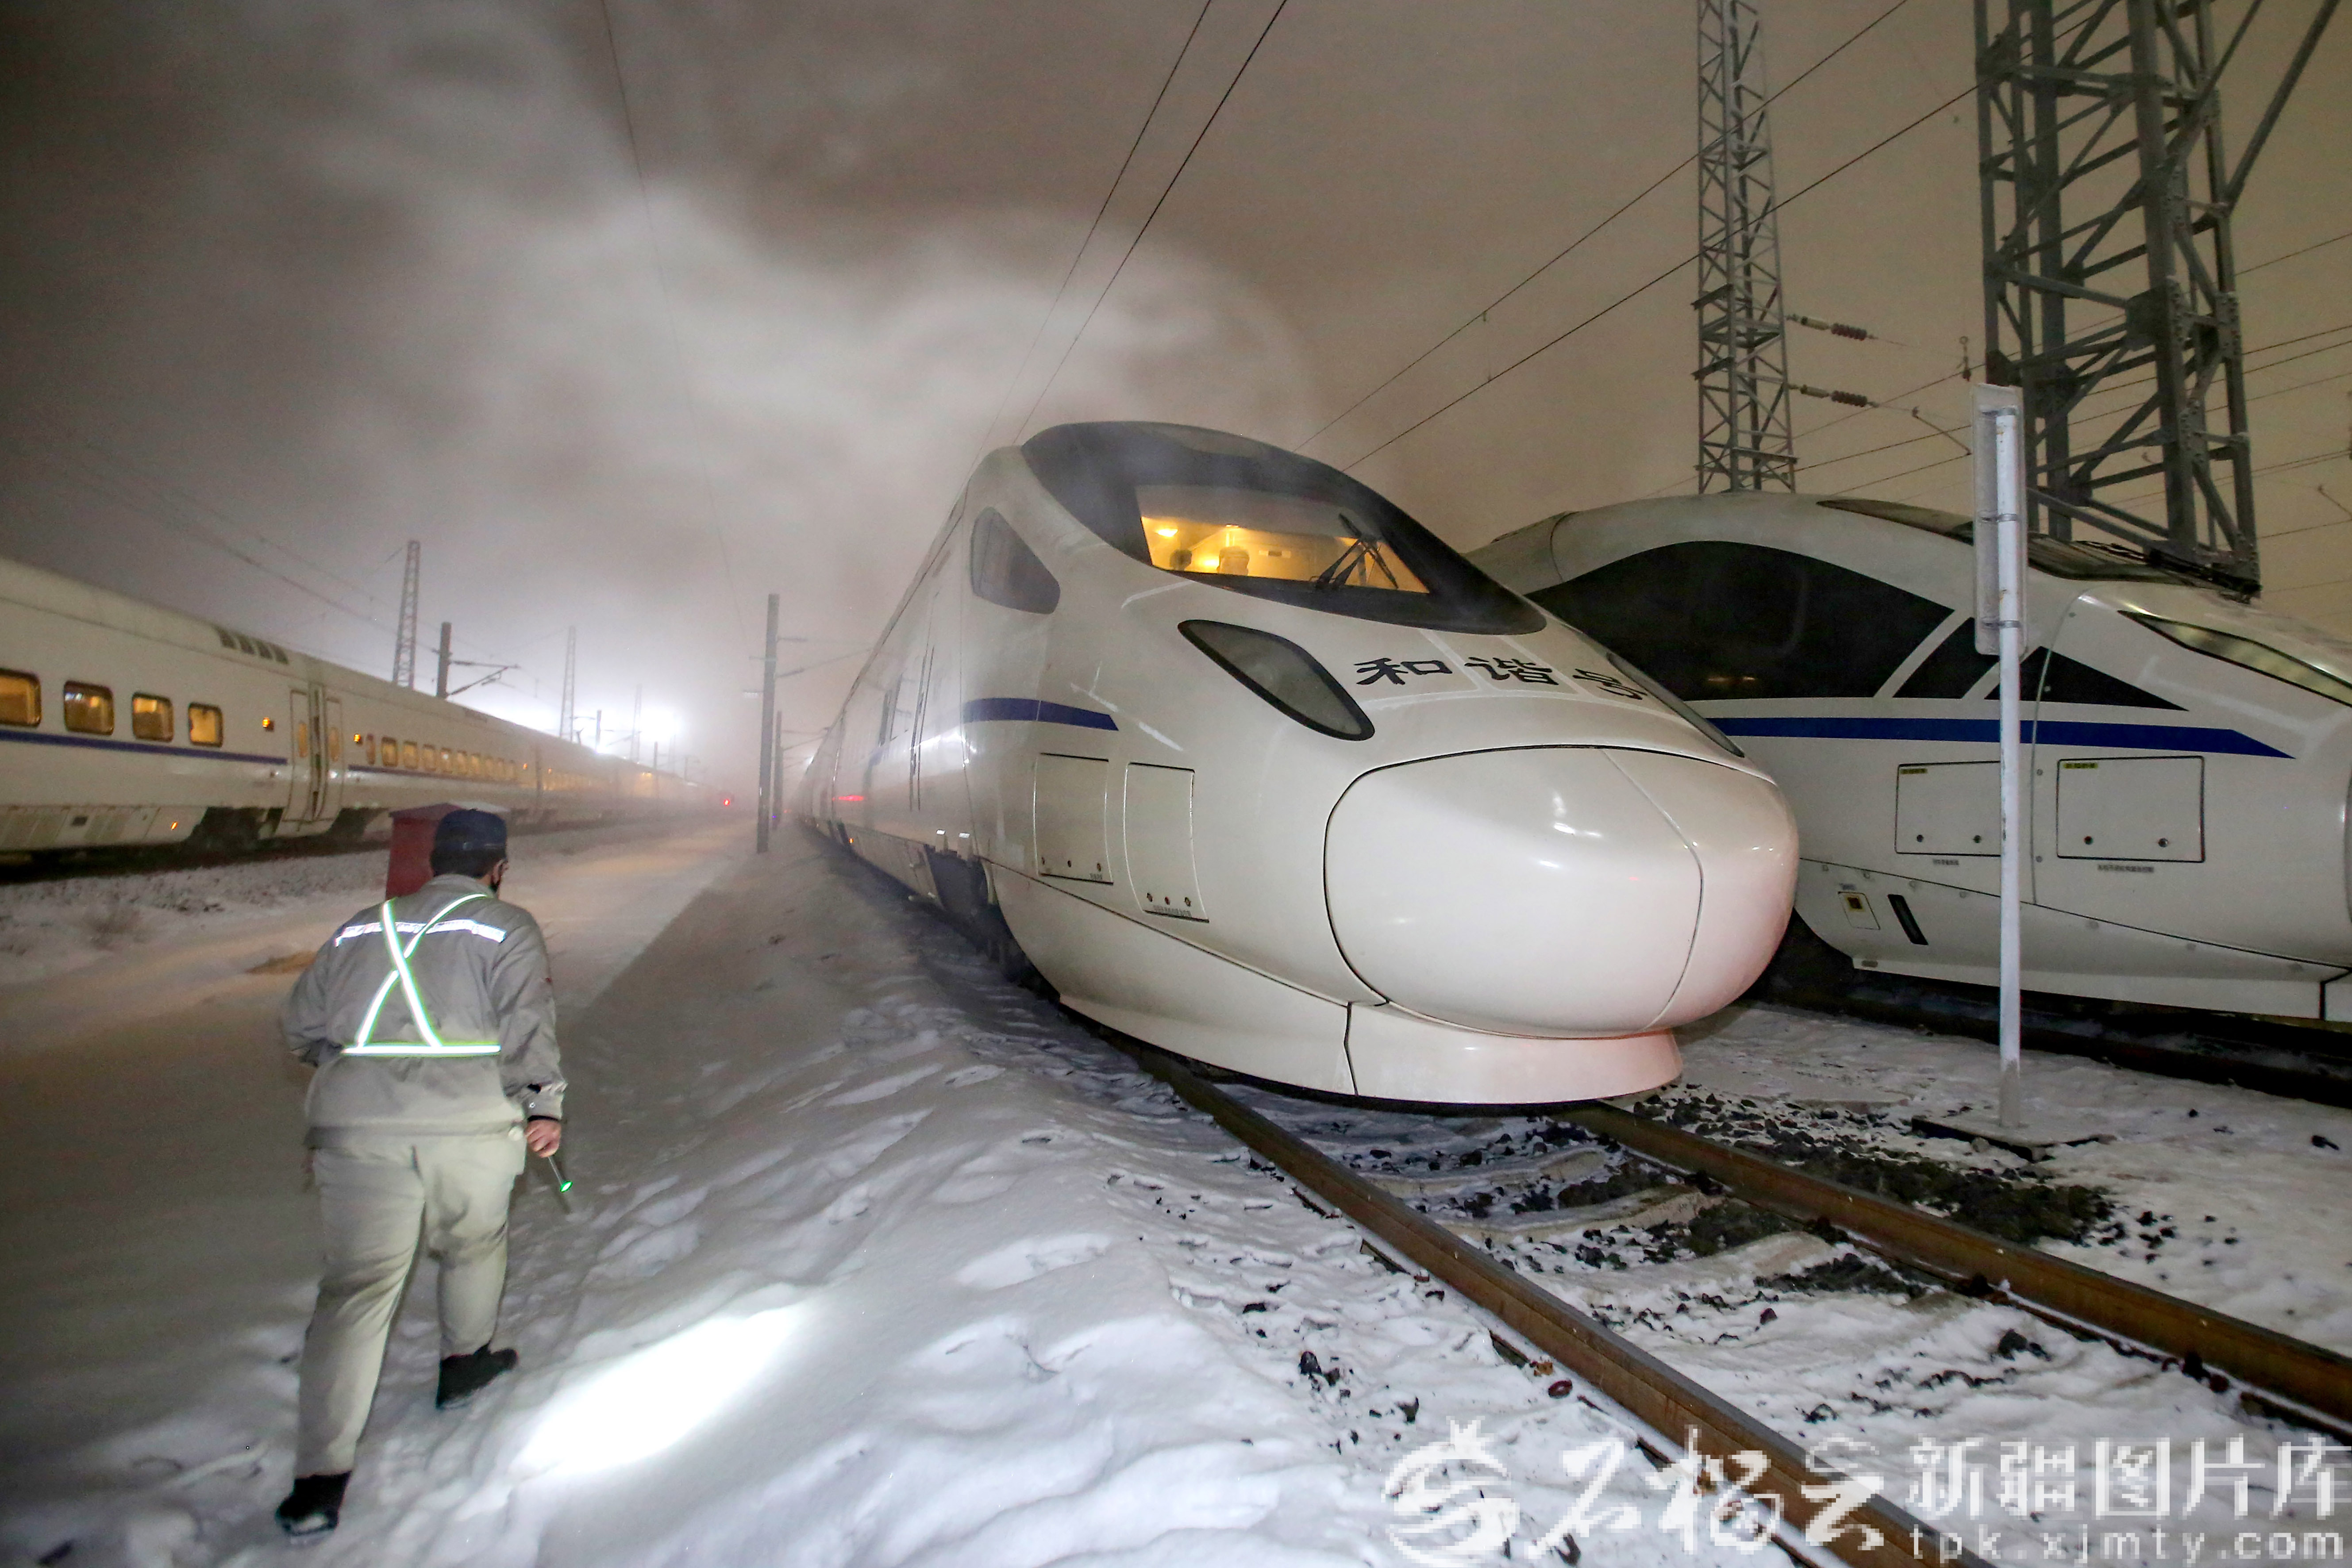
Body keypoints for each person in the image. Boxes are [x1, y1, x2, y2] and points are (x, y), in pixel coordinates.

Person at [273, 809, 563, 1539]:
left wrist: (362, 1072)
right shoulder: (507, 926)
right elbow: (527, 1024)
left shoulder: (361, 927)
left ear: (433, 863)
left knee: (356, 1291)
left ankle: (317, 1483)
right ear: (498, 868)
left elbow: (299, 1027)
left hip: (355, 1132)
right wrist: (544, 1105)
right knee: (473, 1243)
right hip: (470, 1125)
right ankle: (464, 1364)